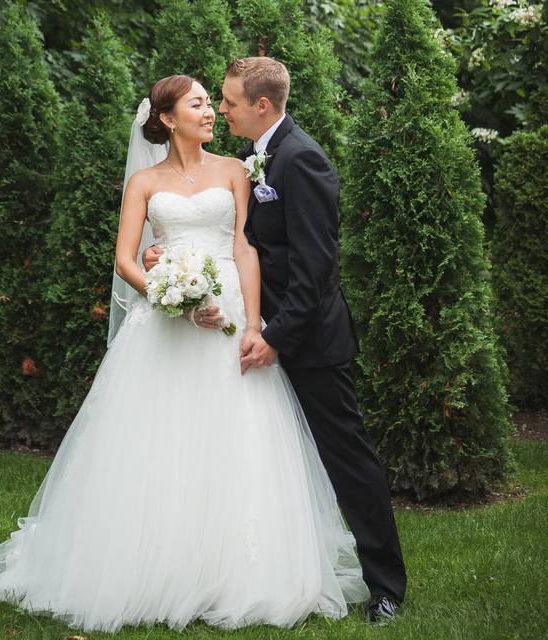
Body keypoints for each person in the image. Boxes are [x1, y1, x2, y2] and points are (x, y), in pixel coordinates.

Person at [0, 73, 370, 634]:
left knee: (234, 439)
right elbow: (127, 260)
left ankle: (231, 572)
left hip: (230, 314)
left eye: (216, 103)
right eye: (199, 103)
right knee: (157, 443)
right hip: (164, 325)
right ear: (167, 118)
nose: (211, 111)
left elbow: (246, 246)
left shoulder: (236, 170)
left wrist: (252, 323)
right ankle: (150, 565)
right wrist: (172, 299)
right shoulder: (142, 182)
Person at [144, 57, 407, 625]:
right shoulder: (248, 160)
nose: (223, 108)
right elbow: (240, 241)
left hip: (307, 338)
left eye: (230, 101)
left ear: (261, 105)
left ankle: (386, 585)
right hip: (248, 324)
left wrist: (276, 336)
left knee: (347, 458)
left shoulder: (302, 158)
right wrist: (161, 258)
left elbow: (317, 267)